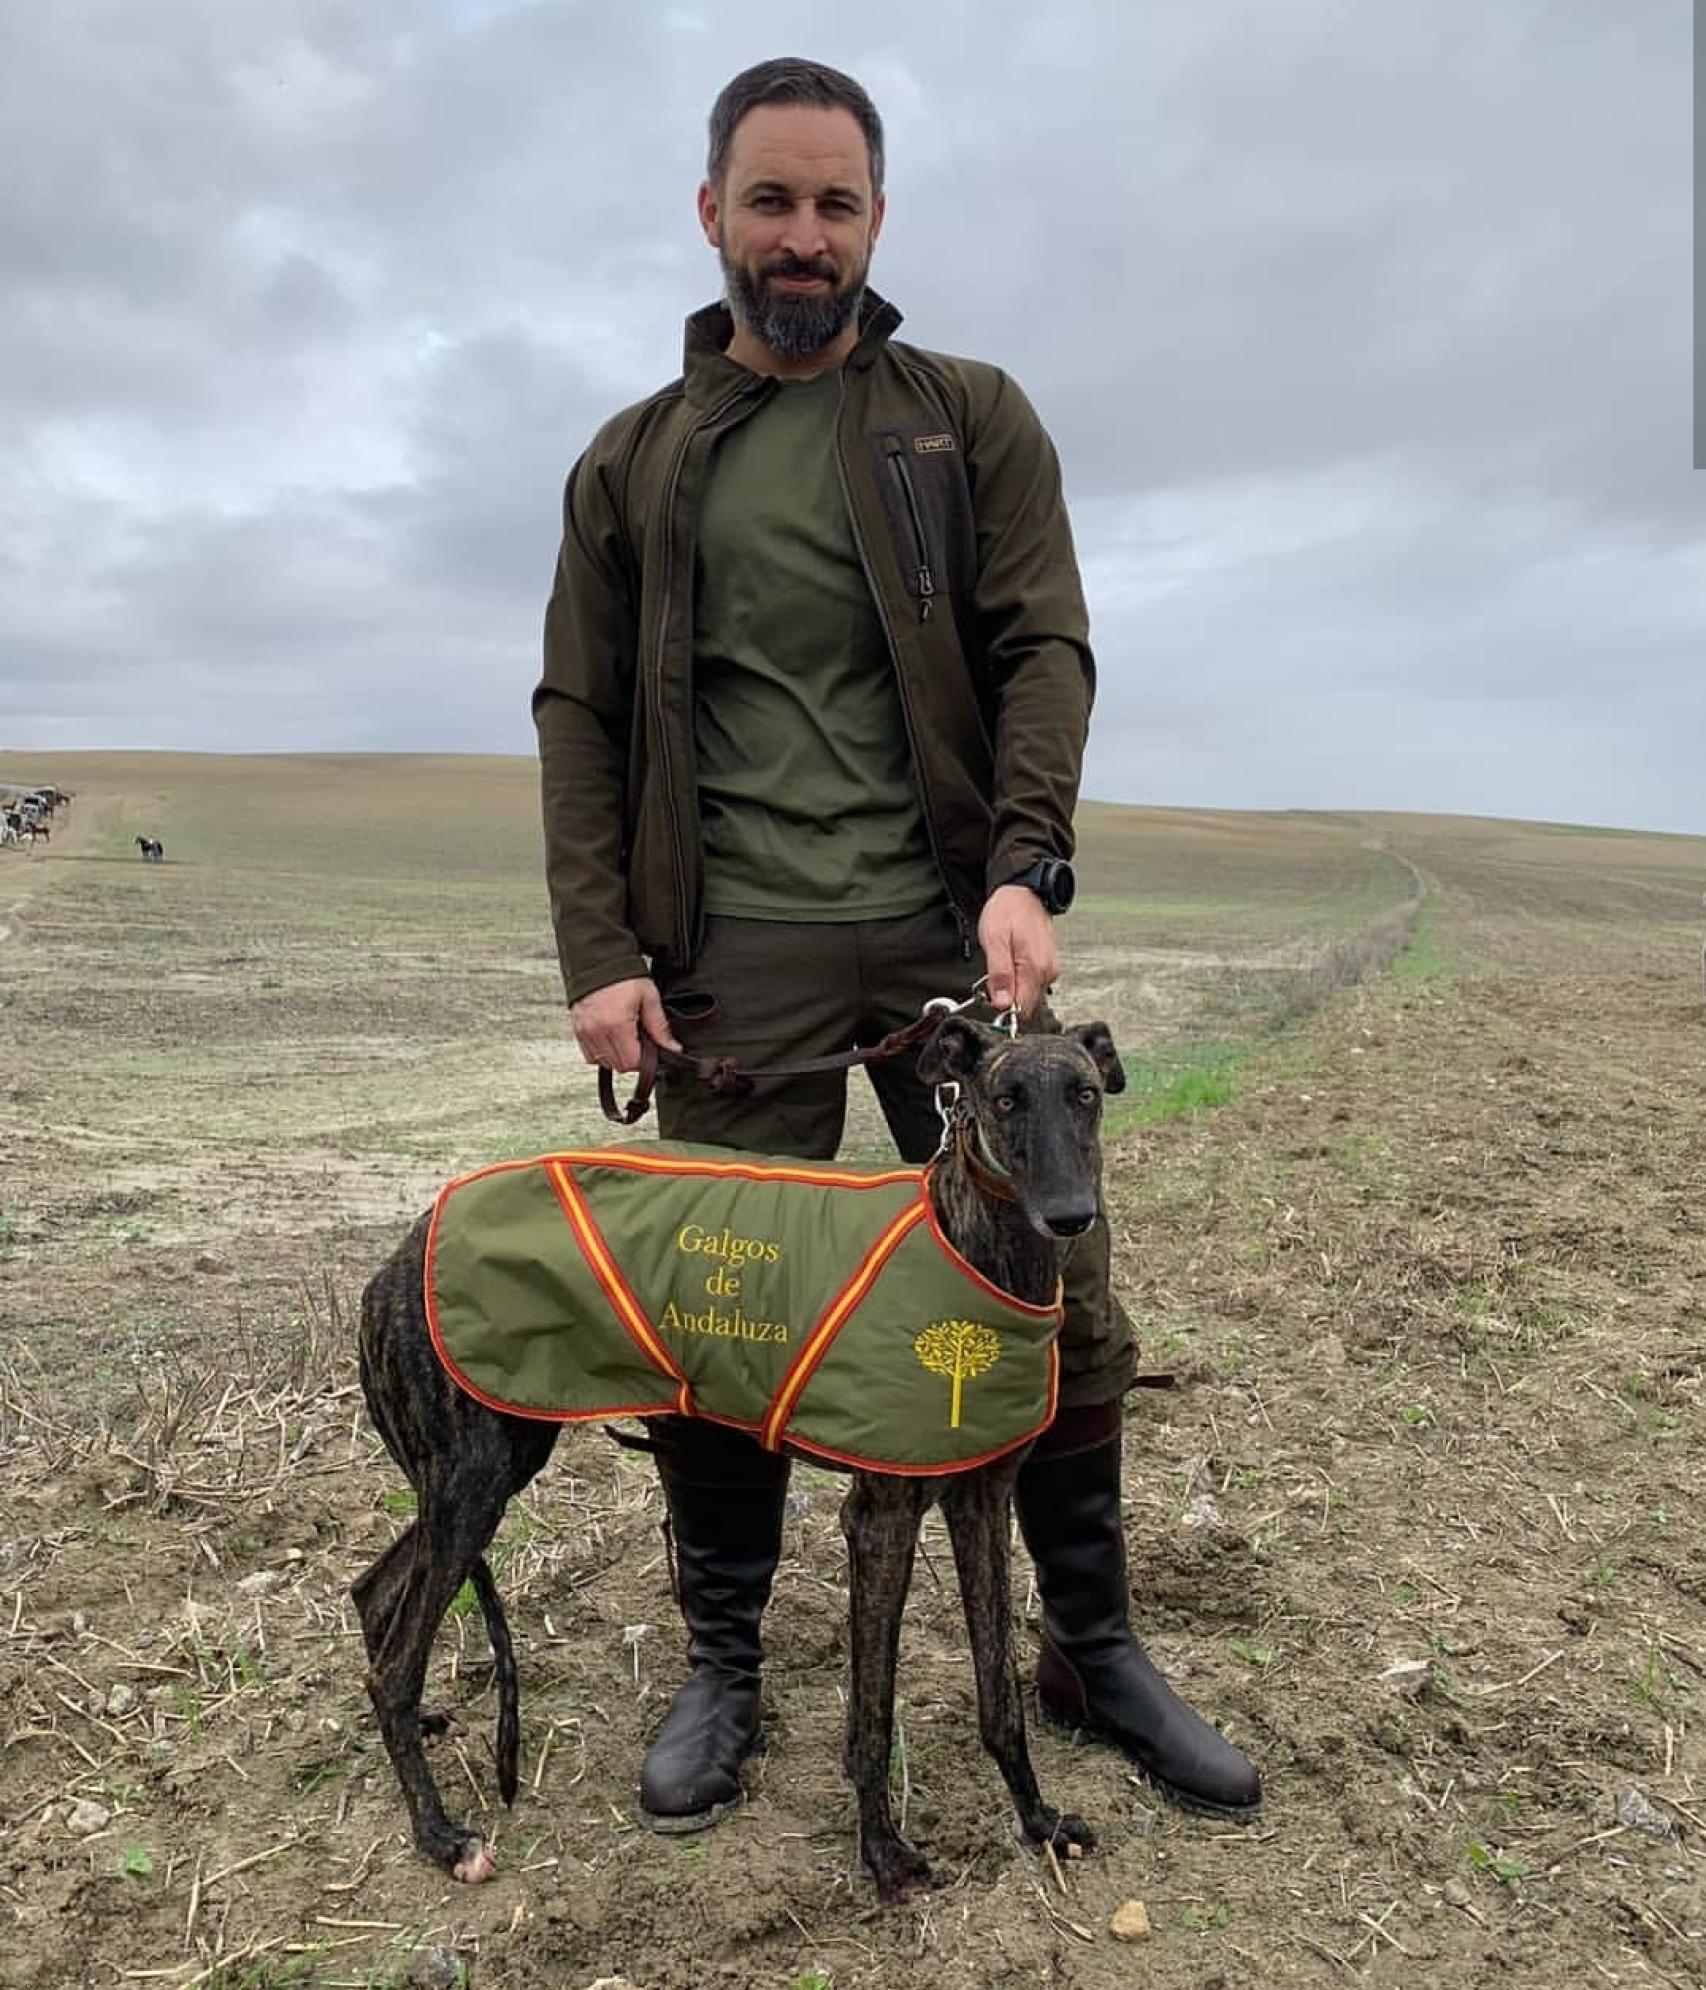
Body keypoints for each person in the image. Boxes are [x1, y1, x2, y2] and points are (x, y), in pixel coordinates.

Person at [533, 56, 1260, 1834]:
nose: (802, 236)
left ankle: (1086, 1648)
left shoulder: (967, 417)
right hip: (732, 960)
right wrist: (599, 945)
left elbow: (1041, 649)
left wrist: (1026, 864)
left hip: (951, 934)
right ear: (710, 213)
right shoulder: (633, 462)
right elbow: (578, 714)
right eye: (769, 201)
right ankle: (726, 1662)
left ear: (876, 219)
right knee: (720, 1313)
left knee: (1055, 1295)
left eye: (834, 203)